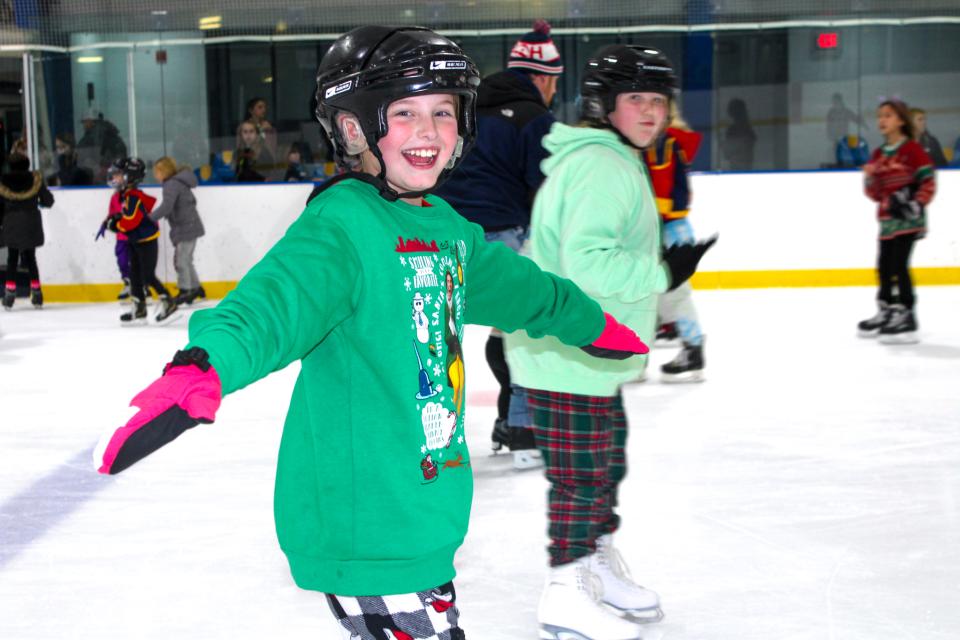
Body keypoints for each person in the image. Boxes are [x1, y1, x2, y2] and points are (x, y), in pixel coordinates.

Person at [93, 26, 652, 640]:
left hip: (424, 505)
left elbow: (519, 288)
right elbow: (272, 304)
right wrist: (204, 366)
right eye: (405, 113)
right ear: (354, 128)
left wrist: (587, 320)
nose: (430, 132)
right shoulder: (342, 228)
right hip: (365, 519)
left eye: (443, 112)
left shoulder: (445, 226)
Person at [504, 45, 716, 639]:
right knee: (581, 473)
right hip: (565, 348)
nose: (650, 112)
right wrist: (662, 274)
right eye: (635, 100)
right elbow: (590, 263)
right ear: (604, 105)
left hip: (587, 350)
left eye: (657, 101)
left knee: (605, 462)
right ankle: (565, 586)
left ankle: (594, 562)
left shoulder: (614, 158)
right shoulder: (600, 165)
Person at [434, 18, 562, 469]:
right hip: (503, 235)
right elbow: (541, 186)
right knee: (522, 329)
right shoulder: (535, 119)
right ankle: (522, 428)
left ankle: (434, 433)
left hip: (444, 236)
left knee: (438, 338)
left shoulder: (464, 109)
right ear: (543, 79)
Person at [858, 99, 935, 344]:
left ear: (901, 120)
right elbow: (875, 195)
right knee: (883, 266)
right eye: (880, 116)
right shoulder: (878, 154)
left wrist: (916, 203)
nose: (882, 120)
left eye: (888, 116)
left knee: (899, 264)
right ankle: (887, 309)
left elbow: (927, 181)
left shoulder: (912, 150)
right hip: (887, 221)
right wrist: (870, 179)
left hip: (909, 219)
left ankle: (907, 314)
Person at [643, 105, 709, 382]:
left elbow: (661, 193)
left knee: (672, 294)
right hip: (670, 227)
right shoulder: (666, 141)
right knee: (652, 294)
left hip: (666, 229)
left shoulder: (661, 143)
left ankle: (692, 350)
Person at [104, 157, 178, 324]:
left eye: (119, 175)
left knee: (147, 275)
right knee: (134, 274)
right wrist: (115, 219)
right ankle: (139, 308)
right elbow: (126, 218)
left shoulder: (134, 197)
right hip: (134, 240)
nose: (115, 178)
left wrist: (116, 224)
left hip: (146, 241)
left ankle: (168, 301)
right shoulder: (126, 195)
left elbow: (131, 220)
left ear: (130, 177)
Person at [150, 156, 206, 305]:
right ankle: (196, 288)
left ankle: (185, 290)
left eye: (156, 172)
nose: (155, 176)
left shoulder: (171, 184)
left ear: (163, 171)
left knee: (182, 261)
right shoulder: (178, 183)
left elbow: (167, 206)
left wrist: (149, 218)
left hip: (186, 227)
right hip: (190, 226)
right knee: (186, 260)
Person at [1, 153, 54, 310]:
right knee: (31, 258)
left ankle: (9, 294)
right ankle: (37, 294)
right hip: (31, 223)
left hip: (11, 223)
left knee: (12, 258)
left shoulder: (3, 182)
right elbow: (48, 201)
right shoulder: (35, 181)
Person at [76, 108, 128, 182]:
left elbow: (82, 157)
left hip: (99, 176)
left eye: (85, 122)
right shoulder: (112, 134)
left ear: (91, 121)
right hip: (114, 176)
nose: (84, 125)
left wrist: (100, 168)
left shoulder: (93, 136)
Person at [722, 98, 756, 170]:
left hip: (739, 168)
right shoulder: (747, 129)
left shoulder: (735, 130)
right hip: (744, 167)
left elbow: (727, 153)